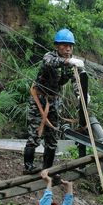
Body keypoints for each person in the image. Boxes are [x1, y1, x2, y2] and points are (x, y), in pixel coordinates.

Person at [23, 28, 85, 174]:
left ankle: (48, 169)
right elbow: (51, 63)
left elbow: (76, 80)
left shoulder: (72, 64)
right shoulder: (50, 57)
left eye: (70, 46)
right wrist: (69, 61)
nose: (68, 48)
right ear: (57, 46)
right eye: (64, 45)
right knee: (35, 133)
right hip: (38, 98)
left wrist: (81, 94)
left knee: (52, 138)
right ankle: (28, 167)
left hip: (54, 100)